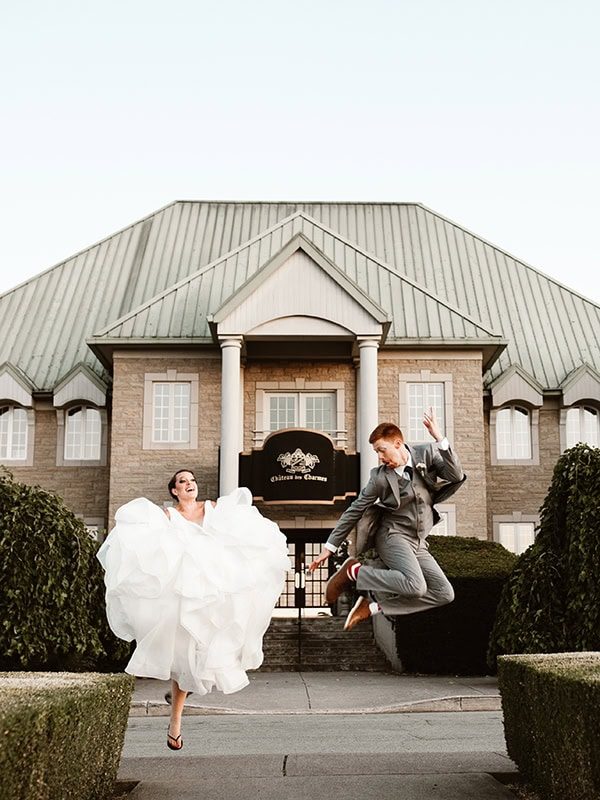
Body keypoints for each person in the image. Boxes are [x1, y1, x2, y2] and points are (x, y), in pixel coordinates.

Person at [97, 470, 289, 751]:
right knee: (184, 651)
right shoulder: (167, 516)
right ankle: (175, 721)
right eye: (183, 482)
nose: (189, 485)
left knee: (203, 651)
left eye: (192, 481)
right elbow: (144, 543)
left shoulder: (212, 508)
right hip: (182, 593)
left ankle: (180, 700)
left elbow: (243, 530)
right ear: (174, 490)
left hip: (216, 591)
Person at [308, 408, 465, 631]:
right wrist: (329, 547)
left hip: (418, 541)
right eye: (377, 452)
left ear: (398, 443)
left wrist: (440, 439)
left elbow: (456, 475)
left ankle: (372, 607)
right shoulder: (380, 478)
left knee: (444, 593)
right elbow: (355, 509)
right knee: (415, 586)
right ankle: (353, 572)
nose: (380, 457)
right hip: (392, 536)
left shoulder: (427, 454)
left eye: (382, 450)